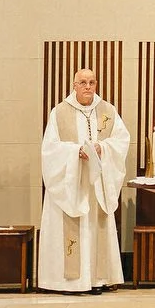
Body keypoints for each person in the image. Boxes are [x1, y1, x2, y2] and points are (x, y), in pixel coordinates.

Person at [38, 66, 130, 293]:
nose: (88, 86)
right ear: (74, 85)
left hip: (96, 184)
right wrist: (74, 152)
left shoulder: (107, 110)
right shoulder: (59, 112)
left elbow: (121, 141)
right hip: (72, 183)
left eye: (92, 82)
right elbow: (49, 149)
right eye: (83, 82)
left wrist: (103, 148)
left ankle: (97, 279)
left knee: (94, 228)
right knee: (74, 228)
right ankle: (69, 282)